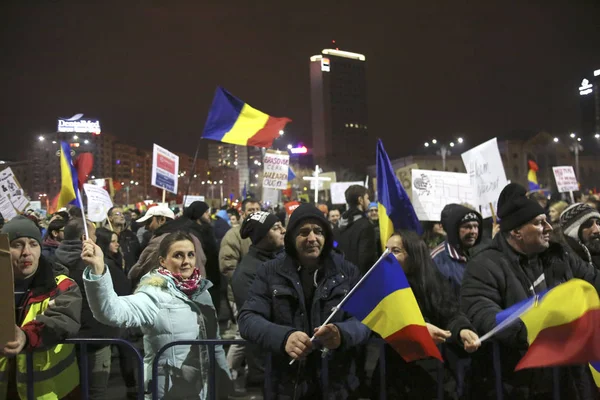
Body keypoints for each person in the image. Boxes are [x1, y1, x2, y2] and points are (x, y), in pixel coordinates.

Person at [461, 183, 600, 397]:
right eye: (539, 223)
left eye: (546, 220)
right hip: (520, 382)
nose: (549, 228)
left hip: (569, 378)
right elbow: (483, 312)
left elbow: (593, 281)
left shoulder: (559, 254)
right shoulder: (484, 264)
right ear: (516, 231)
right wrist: (536, 329)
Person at [238, 203, 371, 399]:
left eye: (318, 231)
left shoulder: (347, 271)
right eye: (304, 232)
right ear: (291, 237)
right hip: (286, 385)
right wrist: (284, 338)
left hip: (337, 385)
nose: (312, 238)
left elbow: (366, 320)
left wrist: (342, 333)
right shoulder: (270, 271)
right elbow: (248, 319)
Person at [82, 231, 231, 399]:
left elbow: (215, 344)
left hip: (204, 390)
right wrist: (98, 271)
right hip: (167, 391)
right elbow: (110, 311)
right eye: (178, 255)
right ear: (163, 261)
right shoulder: (153, 293)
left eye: (190, 254)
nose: (186, 261)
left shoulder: (202, 291)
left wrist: (224, 384)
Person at [374, 231, 480, 398]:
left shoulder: (432, 280)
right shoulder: (380, 284)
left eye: (395, 251)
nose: (387, 256)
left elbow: (450, 313)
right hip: (394, 375)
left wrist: (462, 330)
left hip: (432, 375)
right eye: (386, 250)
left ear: (414, 255)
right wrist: (419, 329)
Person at [0, 216, 82, 399]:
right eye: (17, 244)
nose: (26, 252)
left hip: (50, 393)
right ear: (4, 249)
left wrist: (26, 336)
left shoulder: (62, 285)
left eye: (33, 244)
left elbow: (62, 320)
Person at [54, 220, 132, 400]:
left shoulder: (54, 261)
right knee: (95, 393)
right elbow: (123, 291)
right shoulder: (98, 265)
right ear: (85, 238)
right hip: (96, 338)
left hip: (65, 339)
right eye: (94, 236)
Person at [230, 211, 285, 394]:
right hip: (268, 360)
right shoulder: (247, 272)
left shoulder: (280, 259)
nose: (283, 231)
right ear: (262, 236)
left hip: (285, 353)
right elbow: (254, 321)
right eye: (276, 228)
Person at [127, 205, 206, 289]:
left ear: (162, 220)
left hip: (172, 290)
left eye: (149, 221)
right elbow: (203, 260)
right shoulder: (192, 236)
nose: (146, 227)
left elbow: (142, 268)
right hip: (195, 288)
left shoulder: (160, 240)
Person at [431, 204, 482, 297]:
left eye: (476, 226)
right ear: (454, 229)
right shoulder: (437, 260)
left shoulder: (480, 254)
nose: (473, 231)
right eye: (467, 227)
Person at [183, 201, 221, 312]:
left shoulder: (206, 229)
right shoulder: (195, 232)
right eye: (205, 212)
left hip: (211, 273)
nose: (208, 215)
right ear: (199, 215)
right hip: (204, 274)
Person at [336, 185, 377, 275]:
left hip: (341, 277)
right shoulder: (366, 225)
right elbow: (366, 260)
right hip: (358, 281)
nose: (369, 202)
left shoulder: (338, 224)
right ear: (360, 200)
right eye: (367, 198)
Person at [560, 203, 600, 269]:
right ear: (572, 232)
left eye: (598, 223)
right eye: (588, 224)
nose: (597, 230)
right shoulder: (567, 263)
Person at [107, 206, 141, 275]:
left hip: (132, 274)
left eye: (122, 214)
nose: (122, 216)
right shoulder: (106, 236)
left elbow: (138, 253)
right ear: (110, 218)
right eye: (118, 214)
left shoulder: (130, 235)